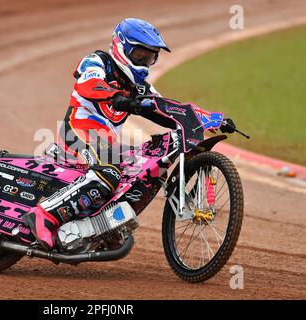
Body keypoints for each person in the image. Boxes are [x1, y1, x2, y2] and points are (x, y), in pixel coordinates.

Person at [23, 18, 235, 250]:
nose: (144, 62)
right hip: (77, 131)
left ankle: (98, 224)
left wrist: (211, 118)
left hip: (106, 142)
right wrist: (117, 97)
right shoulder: (98, 61)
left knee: (130, 177)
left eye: (150, 57)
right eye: (139, 55)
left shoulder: (140, 86)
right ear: (121, 46)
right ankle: (43, 215)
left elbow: (167, 107)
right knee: (109, 173)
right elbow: (88, 84)